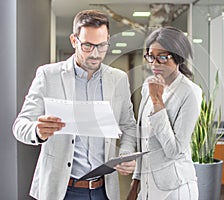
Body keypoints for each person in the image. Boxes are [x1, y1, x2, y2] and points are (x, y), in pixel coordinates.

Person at [12, 10, 137, 200]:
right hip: (62, 190)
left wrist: (126, 153)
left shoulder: (118, 79)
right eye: (87, 45)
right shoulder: (48, 75)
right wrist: (37, 130)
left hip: (103, 190)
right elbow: (20, 126)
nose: (95, 54)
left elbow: (128, 125)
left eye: (102, 45)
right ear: (74, 40)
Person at [126, 26, 202, 200]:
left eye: (162, 57)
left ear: (178, 57)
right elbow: (143, 140)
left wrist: (157, 102)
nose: (154, 63)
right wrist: (135, 183)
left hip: (175, 188)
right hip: (146, 187)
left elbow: (175, 150)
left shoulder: (190, 92)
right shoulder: (148, 85)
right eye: (151, 56)